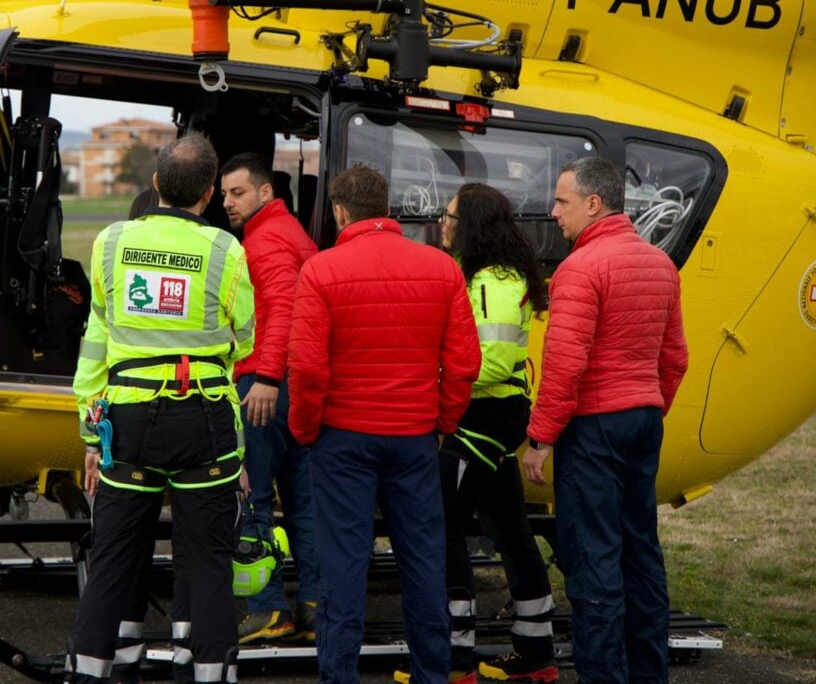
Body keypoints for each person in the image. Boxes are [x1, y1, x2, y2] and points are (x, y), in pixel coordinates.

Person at [67, 132, 256, 684]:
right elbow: (244, 336)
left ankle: (89, 672)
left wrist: (88, 433)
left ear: (155, 186)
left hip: (125, 422)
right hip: (204, 420)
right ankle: (205, 673)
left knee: (112, 560)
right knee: (208, 565)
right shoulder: (226, 249)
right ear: (208, 194)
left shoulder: (108, 243)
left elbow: (95, 341)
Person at [288, 164, 481, 684]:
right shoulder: (441, 269)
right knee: (423, 564)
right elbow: (464, 362)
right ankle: (432, 675)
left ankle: (339, 676)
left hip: (342, 438)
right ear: (387, 207)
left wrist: (306, 429)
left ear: (340, 211)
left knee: (343, 567)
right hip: (414, 437)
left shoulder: (321, 271)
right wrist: (441, 421)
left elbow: (307, 366)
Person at [521, 157, 688, 684]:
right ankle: (648, 673)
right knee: (641, 552)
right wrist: (649, 405)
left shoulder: (580, 268)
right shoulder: (659, 264)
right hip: (641, 419)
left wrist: (540, 438)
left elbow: (566, 364)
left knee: (593, 562)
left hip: (594, 427)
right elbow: (675, 357)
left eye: (562, 202)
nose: (553, 213)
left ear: (594, 204)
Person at [435, 184, 557, 684]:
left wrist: (435, 377)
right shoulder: (492, 275)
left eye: (449, 216)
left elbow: (488, 364)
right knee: (509, 527)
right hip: (493, 414)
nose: (442, 222)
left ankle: (455, 658)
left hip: (483, 415)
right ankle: (536, 654)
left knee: (442, 524)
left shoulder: (493, 282)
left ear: (473, 224)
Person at [219, 152, 320, 644]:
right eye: (223, 194)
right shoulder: (289, 233)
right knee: (303, 500)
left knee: (252, 499)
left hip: (265, 387)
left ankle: (268, 610)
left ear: (264, 193)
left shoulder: (267, 240)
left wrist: (266, 376)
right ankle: (315, 604)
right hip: (296, 388)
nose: (227, 202)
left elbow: (282, 309)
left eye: (237, 193)